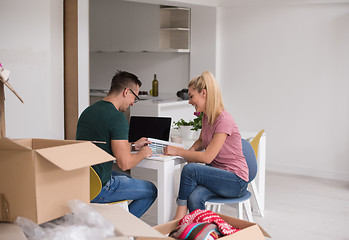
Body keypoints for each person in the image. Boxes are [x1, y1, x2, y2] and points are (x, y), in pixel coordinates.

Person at [164, 71, 249, 220]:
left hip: (236, 180)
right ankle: (203, 232)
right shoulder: (207, 117)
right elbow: (202, 140)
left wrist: (179, 151)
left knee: (190, 170)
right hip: (219, 175)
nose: (189, 101)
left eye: (191, 96)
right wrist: (191, 151)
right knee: (194, 198)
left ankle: (179, 217)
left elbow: (207, 157)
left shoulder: (224, 120)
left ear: (204, 93)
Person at [76, 70, 157, 218]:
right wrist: (142, 153)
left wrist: (132, 146)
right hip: (100, 187)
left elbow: (102, 145)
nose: (133, 102)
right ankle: (120, 229)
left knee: (129, 180)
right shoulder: (117, 118)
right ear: (126, 91)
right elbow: (125, 164)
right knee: (151, 190)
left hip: (83, 181)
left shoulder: (88, 111)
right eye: (135, 97)